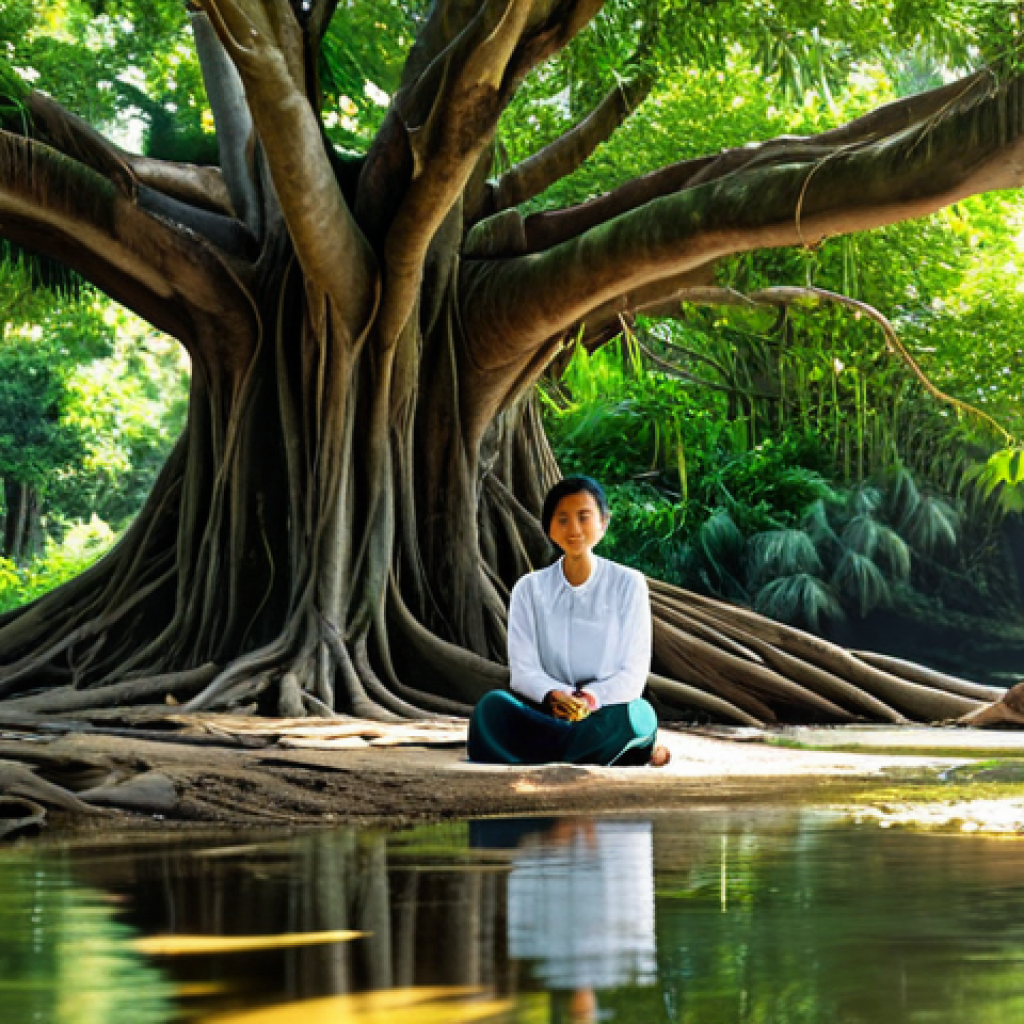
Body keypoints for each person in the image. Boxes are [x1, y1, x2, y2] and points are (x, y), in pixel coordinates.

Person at [468, 476, 670, 766]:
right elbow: (523, 670)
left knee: (638, 716)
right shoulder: (529, 588)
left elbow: (634, 673)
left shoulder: (629, 584)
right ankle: (618, 750)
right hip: (546, 710)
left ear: (604, 522)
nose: (574, 529)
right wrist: (555, 696)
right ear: (549, 527)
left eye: (584, 517)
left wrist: (588, 699)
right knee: (492, 708)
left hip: (605, 709)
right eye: (562, 519)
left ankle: (560, 748)